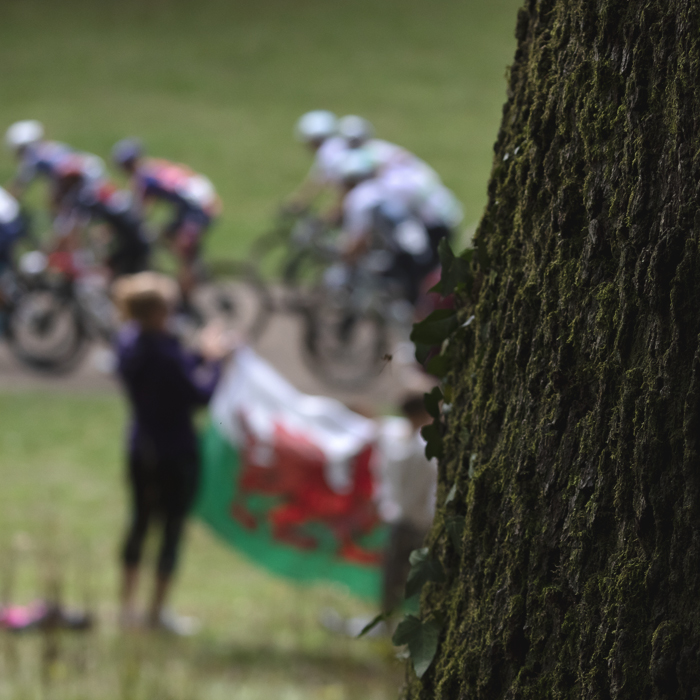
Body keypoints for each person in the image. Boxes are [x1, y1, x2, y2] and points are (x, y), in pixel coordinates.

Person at [113, 272, 231, 633]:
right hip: (175, 453)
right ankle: (155, 613)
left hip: (140, 447)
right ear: (158, 312)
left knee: (139, 522)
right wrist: (215, 361)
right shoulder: (165, 354)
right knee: (171, 529)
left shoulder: (129, 344)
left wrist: (197, 353)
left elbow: (172, 370)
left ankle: (126, 609)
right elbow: (199, 394)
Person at [111, 139, 221, 313]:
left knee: (183, 250)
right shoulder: (153, 166)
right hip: (191, 204)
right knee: (166, 236)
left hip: (197, 208)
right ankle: (189, 271)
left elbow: (138, 210)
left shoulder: (143, 177)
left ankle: (187, 292)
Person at [376, 393, 437, 614]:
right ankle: (390, 620)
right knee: (399, 575)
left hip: (413, 520)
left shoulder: (412, 445)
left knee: (401, 575)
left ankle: (393, 619)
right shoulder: (411, 443)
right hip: (412, 520)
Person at [4, 120, 105, 215]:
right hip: (90, 169)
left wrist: (6, 202)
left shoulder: (34, 157)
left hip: (81, 178)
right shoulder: (48, 148)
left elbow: (19, 187)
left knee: (71, 215)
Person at [285, 110, 349, 214]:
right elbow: (317, 180)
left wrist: (332, 212)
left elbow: (343, 189)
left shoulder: (327, 153)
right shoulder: (338, 145)